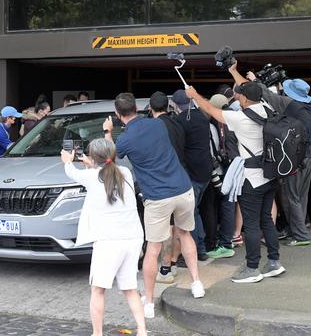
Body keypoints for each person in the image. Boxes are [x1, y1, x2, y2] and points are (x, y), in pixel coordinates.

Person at [104, 93, 204, 320]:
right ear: (140, 109)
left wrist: (109, 132)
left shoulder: (125, 139)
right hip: (183, 188)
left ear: (119, 115)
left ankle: (148, 302)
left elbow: (112, 155)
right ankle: (196, 283)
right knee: (185, 234)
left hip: (158, 197)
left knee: (153, 249)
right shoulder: (158, 125)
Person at [185, 77, 286, 284]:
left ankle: (252, 269)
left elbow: (211, 111)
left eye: (240, 96)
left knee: (250, 224)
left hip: (252, 179)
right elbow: (254, 91)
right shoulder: (267, 109)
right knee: (266, 219)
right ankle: (274, 262)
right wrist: (234, 71)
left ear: (247, 100)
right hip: (270, 175)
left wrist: (194, 96)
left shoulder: (241, 118)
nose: (237, 99)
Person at [61, 139, 146, 336]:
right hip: (132, 238)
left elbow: (71, 172)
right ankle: (142, 330)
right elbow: (105, 172)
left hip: (108, 242)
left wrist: (67, 160)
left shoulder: (90, 176)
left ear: (93, 157)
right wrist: (93, 165)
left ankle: (97, 333)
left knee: (98, 290)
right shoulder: (124, 172)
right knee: (130, 288)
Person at [243, 72, 311, 247]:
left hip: (296, 159)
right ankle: (296, 230)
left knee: (292, 197)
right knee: (301, 197)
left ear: (290, 93)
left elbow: (267, 95)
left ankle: (300, 235)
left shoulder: (289, 103)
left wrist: (255, 80)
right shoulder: (308, 107)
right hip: (308, 156)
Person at [172, 89, 214, 261]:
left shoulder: (180, 121)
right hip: (206, 170)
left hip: (192, 173)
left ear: (175, 105)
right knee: (195, 211)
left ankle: (197, 250)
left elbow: (178, 147)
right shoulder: (202, 117)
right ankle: (200, 248)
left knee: (190, 214)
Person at [148, 91, 185, 284]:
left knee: (166, 229)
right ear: (168, 106)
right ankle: (174, 264)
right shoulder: (177, 123)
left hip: (164, 182)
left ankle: (165, 270)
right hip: (182, 180)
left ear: (150, 107)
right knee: (178, 227)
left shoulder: (155, 127)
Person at [205, 94, 238, 259]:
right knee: (229, 203)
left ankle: (225, 243)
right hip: (236, 165)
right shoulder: (236, 117)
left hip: (225, 167)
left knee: (225, 204)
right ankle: (229, 239)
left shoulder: (219, 122)